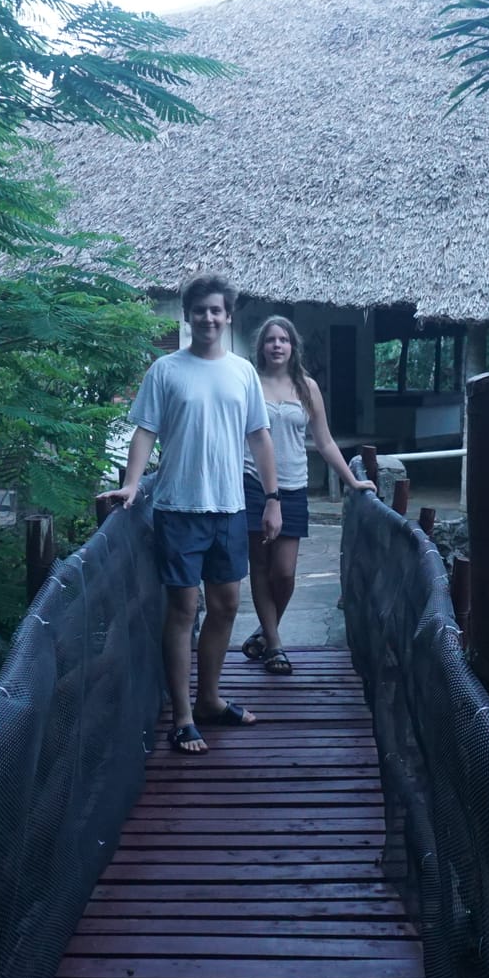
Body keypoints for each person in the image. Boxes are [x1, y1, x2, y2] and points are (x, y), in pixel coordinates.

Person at [99, 276, 281, 755]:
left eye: (216, 310)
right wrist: (132, 483)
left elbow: (259, 436)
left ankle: (209, 700)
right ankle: (182, 717)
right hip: (178, 507)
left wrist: (273, 498)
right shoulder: (166, 370)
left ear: (228, 316)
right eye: (200, 310)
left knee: (226, 606)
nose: (208, 318)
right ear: (188, 315)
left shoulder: (243, 372)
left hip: (230, 507)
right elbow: (145, 430)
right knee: (183, 610)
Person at [239, 316, 374, 675]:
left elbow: (324, 441)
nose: (277, 345)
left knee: (284, 573)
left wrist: (352, 481)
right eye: (271, 340)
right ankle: (275, 645)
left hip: (294, 486)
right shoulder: (250, 383)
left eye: (283, 340)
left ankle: (264, 632)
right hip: (252, 483)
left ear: (293, 346)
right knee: (260, 567)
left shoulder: (306, 387)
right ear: (262, 346)